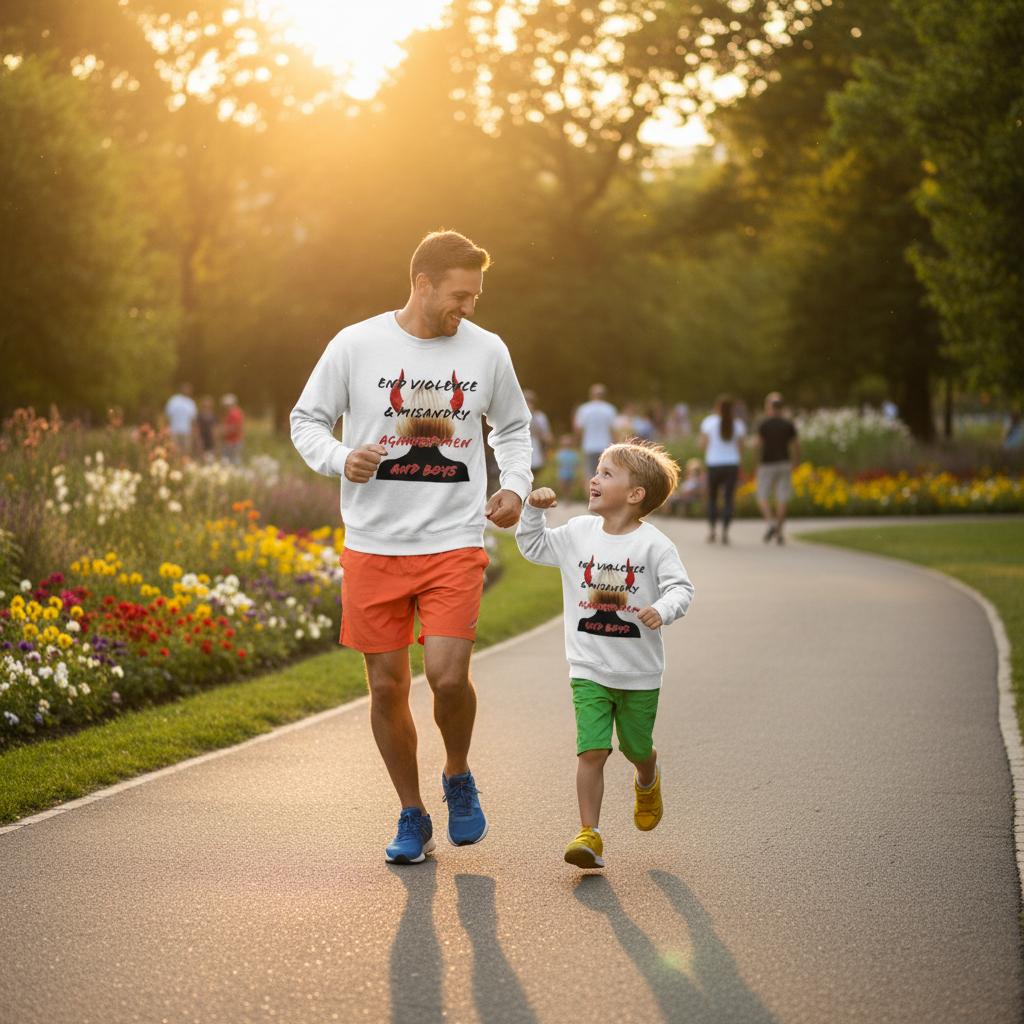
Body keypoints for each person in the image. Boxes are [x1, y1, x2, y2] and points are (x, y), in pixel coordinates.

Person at [290, 230, 533, 866]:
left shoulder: (487, 351)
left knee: (448, 678)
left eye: (476, 296)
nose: (469, 309)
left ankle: (457, 772)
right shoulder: (356, 344)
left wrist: (516, 485)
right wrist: (343, 459)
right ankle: (411, 811)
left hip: (453, 537)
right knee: (387, 688)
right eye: (459, 295)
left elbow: (511, 426)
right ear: (421, 284)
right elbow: (305, 420)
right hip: (374, 545)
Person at [516, 439, 694, 869]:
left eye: (607, 473)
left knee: (636, 748)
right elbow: (534, 547)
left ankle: (647, 777)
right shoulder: (578, 532)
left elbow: (681, 589)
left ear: (635, 496)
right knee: (591, 751)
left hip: (638, 674)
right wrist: (533, 510)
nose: (594, 479)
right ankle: (589, 834)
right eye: (596, 470)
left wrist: (661, 609)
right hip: (589, 668)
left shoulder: (655, 546)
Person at [699, 394, 746, 545]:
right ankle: (725, 532)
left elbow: (703, 444)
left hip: (714, 464)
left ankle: (712, 531)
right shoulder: (738, 424)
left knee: (712, 498)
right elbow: (741, 447)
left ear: (717, 407)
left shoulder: (709, 422)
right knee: (728, 499)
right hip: (731, 464)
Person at [754, 392, 800, 544]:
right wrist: (795, 462)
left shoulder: (764, 425)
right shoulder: (788, 424)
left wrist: (756, 462)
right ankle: (779, 532)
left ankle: (771, 524)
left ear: (769, 407)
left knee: (762, 496)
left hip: (767, 464)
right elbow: (795, 446)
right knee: (782, 498)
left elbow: (757, 445)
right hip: (784, 463)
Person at [574, 384, 618, 478]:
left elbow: (578, 429)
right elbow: (613, 430)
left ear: (591, 395)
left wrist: (578, 443)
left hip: (589, 446)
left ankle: (589, 493)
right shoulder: (610, 409)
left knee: (589, 474)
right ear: (604, 395)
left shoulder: (584, 409)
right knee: (605, 475)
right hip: (606, 446)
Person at [164, 382, 197, 456]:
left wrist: (194, 433)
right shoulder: (173, 400)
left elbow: (193, 420)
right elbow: (167, 416)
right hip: (174, 431)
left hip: (186, 432)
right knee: (174, 451)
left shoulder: (191, 403)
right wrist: (166, 430)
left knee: (186, 452)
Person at [525, 389, 553, 475]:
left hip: (536, 451)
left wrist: (547, 450)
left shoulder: (540, 417)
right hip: (520, 452)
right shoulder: (515, 416)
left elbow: (547, 436)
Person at [554, 434, 581, 501]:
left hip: (571, 472)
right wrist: (557, 473)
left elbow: (577, 463)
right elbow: (558, 464)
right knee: (563, 486)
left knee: (570, 487)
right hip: (562, 473)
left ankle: (568, 498)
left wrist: (577, 471)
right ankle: (566, 497)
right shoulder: (560, 453)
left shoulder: (573, 453)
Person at [220, 394, 245, 465]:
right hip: (234, 441)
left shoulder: (234, 414)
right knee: (234, 461)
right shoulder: (237, 412)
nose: (225, 407)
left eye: (227, 405)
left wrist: (223, 431)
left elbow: (235, 428)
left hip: (232, 442)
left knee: (230, 462)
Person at [196, 395, 218, 460]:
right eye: (205, 405)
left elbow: (215, 430)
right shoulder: (199, 416)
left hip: (211, 443)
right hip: (202, 441)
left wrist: (216, 444)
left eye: (208, 405)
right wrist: (198, 441)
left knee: (211, 460)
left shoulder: (214, 416)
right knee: (202, 460)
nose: (206, 407)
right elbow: (196, 429)